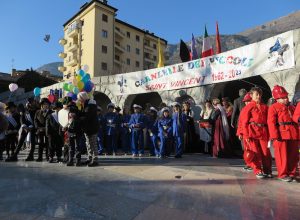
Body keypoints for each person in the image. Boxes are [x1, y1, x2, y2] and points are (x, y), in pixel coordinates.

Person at [268, 85, 299, 182]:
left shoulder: (291, 107)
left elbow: (296, 119)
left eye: (286, 96)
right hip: (281, 134)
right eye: (283, 97)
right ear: (277, 99)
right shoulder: (273, 107)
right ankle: (283, 174)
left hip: (293, 133)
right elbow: (271, 122)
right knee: (282, 156)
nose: (286, 99)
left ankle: (291, 173)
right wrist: (274, 136)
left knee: (293, 155)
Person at [242, 87, 272, 179]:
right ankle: (258, 170)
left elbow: (269, 121)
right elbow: (244, 122)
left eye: (260, 94)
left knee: (266, 152)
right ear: (251, 95)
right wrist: (246, 135)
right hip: (252, 132)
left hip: (263, 131)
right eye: (256, 94)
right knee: (254, 153)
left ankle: (267, 170)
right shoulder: (248, 107)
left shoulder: (264, 106)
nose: (258, 96)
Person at [77, 92, 99, 167]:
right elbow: (83, 114)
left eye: (80, 99)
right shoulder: (85, 105)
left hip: (92, 128)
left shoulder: (91, 105)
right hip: (87, 128)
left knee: (93, 144)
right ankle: (89, 158)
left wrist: (79, 119)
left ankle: (95, 160)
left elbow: (87, 116)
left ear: (83, 98)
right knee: (88, 144)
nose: (79, 100)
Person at [236, 92, 253, 171]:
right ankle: (249, 163)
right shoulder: (244, 110)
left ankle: (254, 164)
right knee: (247, 149)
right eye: (245, 101)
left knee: (253, 150)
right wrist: (240, 132)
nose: (246, 103)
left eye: (248, 101)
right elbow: (240, 122)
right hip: (245, 133)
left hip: (253, 132)